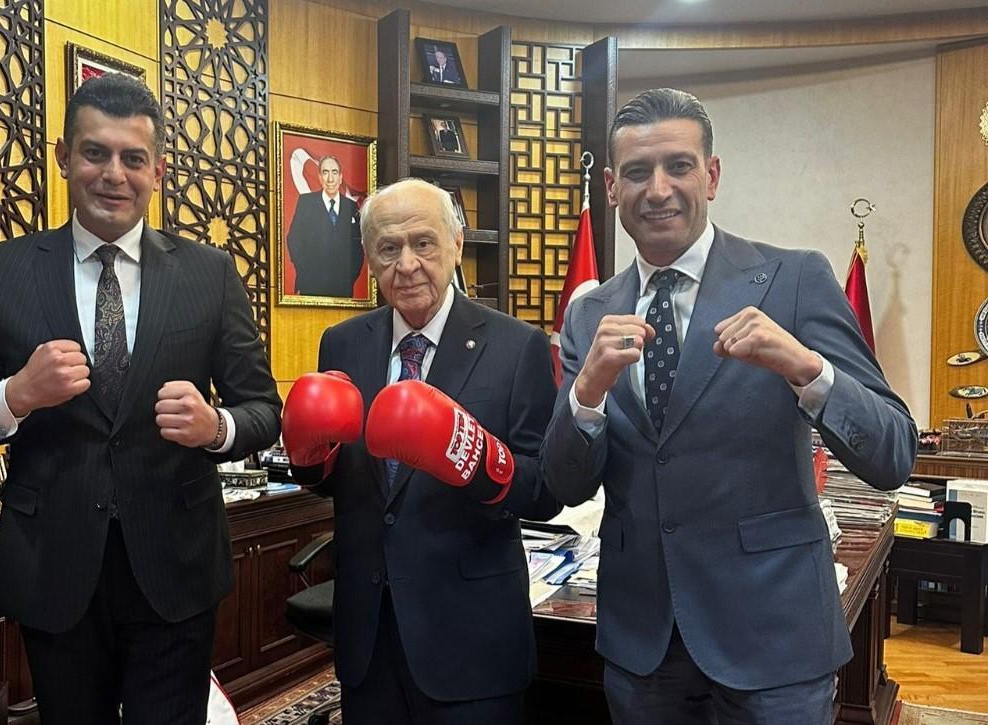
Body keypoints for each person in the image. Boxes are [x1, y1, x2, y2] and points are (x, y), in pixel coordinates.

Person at [0, 73, 281, 725]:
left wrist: (217, 426)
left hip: (175, 568)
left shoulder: (210, 273)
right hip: (54, 568)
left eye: (133, 158)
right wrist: (15, 395)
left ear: (157, 171)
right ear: (63, 157)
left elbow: (263, 410)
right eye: (95, 153)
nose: (114, 174)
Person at [541, 87, 917, 724]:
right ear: (610, 187)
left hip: (773, 636)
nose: (658, 189)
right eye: (637, 171)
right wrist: (587, 395)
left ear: (711, 176)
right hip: (643, 643)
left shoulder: (794, 280)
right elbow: (565, 483)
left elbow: (893, 452)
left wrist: (807, 369)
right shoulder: (589, 314)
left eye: (678, 166)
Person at [281, 178, 560, 724]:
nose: (406, 264)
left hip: (471, 639)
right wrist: (308, 460)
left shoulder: (516, 345)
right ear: (369, 260)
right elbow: (340, 481)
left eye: (423, 242)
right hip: (369, 635)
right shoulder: (342, 343)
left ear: (456, 244)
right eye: (388, 248)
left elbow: (546, 491)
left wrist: (477, 461)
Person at [285, 155, 364, 297]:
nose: (330, 179)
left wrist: (349, 278)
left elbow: (358, 247)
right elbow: (293, 238)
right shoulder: (306, 202)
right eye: (325, 173)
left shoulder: (351, 206)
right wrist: (304, 271)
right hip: (310, 285)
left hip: (343, 287)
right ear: (320, 177)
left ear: (340, 177)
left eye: (334, 172)